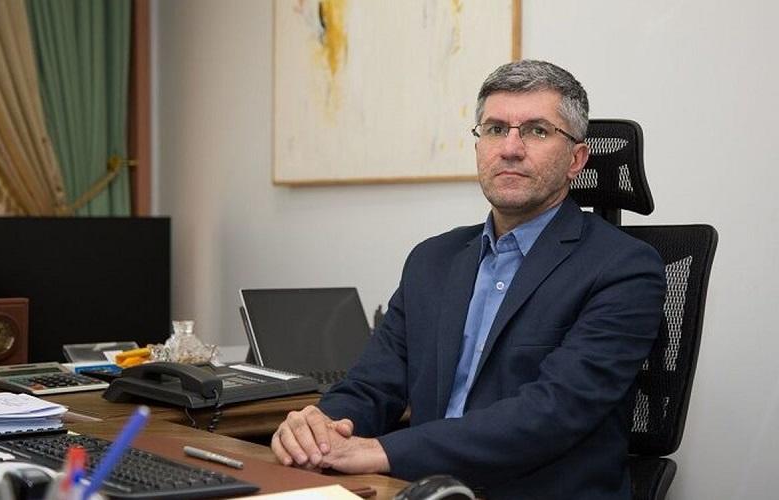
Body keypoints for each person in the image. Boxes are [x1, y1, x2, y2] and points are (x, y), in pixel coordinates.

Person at [271, 60, 667, 499]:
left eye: (536, 131)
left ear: (576, 159)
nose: (510, 148)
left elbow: (551, 412)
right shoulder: (432, 260)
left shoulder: (625, 268)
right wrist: (320, 428)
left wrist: (383, 451)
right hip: (426, 489)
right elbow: (372, 384)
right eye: (495, 129)